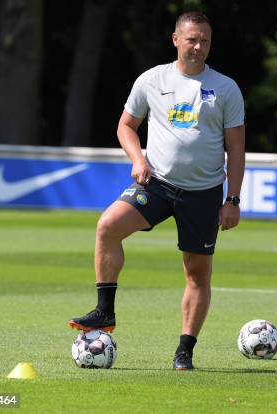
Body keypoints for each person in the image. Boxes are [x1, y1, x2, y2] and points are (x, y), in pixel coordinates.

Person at [68, 11, 245, 371]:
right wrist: (137, 158)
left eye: (205, 41)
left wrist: (232, 199)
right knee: (108, 226)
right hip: (158, 184)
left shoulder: (226, 88)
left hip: (204, 192)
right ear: (176, 39)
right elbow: (125, 125)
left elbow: (237, 150)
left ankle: (185, 350)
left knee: (197, 274)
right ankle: (105, 310)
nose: (198, 46)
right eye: (192, 39)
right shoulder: (152, 80)